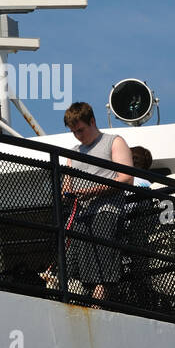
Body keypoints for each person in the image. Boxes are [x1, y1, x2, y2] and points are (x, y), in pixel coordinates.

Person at [62, 102, 133, 303]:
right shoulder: (73, 153)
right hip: (81, 216)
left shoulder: (114, 142)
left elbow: (126, 178)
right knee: (81, 269)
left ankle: (96, 308)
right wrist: (68, 194)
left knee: (102, 267)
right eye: (74, 132)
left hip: (106, 211)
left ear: (92, 121)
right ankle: (88, 305)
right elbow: (66, 186)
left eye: (81, 130)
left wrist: (90, 191)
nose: (78, 136)